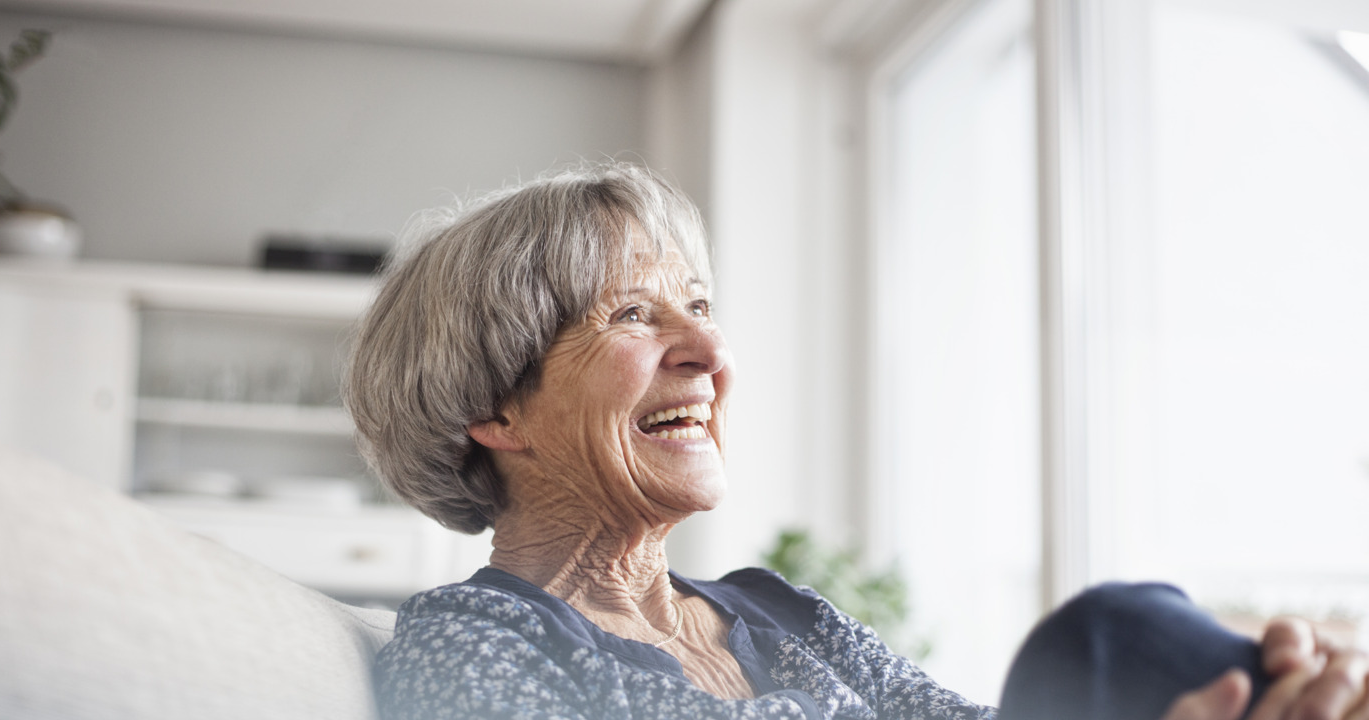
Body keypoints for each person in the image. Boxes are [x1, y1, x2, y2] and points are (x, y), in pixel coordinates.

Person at [344, 162, 1367, 720]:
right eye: (632, 317)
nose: (709, 348)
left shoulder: (776, 612)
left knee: (1115, 632)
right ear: (496, 408)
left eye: (699, 306)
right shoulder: (470, 642)